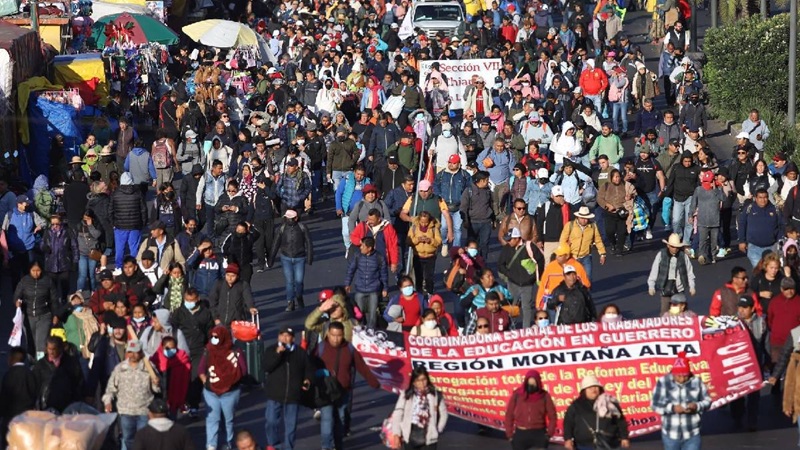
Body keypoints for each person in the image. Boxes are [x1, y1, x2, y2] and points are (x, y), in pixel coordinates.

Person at [313, 321, 380, 450]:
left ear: (343, 334)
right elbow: (310, 367)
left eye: (339, 335)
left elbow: (362, 367)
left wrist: (374, 382)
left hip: (344, 391)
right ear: (328, 334)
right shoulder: (320, 348)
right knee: (327, 422)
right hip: (326, 392)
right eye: (333, 335)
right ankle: (326, 447)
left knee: (340, 421)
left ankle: (338, 446)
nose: (336, 339)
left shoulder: (349, 348)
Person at [103, 339, 161, 450]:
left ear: (140, 352)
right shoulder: (120, 369)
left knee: (143, 439)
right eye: (130, 352)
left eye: (136, 352)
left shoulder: (148, 368)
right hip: (126, 412)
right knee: (128, 438)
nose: (132, 355)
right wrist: (108, 401)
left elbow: (157, 390)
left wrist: (156, 384)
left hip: (144, 410)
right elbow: (111, 389)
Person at [264, 327, 313, 450]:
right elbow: (266, 367)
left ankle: (288, 447)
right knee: (271, 422)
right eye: (283, 335)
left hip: (293, 395)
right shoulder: (271, 350)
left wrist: (307, 379)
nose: (285, 338)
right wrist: (277, 354)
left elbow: (308, 369)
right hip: (275, 394)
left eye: (288, 336)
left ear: (293, 338)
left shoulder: (300, 352)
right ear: (278, 337)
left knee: (291, 426)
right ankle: (273, 445)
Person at [651, 352, 712, 450]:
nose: (682, 379)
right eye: (679, 376)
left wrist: (697, 406)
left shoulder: (697, 381)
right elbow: (655, 404)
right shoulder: (663, 382)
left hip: (692, 433)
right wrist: (672, 408)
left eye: (685, 376)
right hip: (671, 434)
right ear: (674, 373)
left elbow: (707, 401)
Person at [199, 326, 246, 450]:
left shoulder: (235, 350)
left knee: (228, 420)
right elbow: (201, 369)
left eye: (217, 337)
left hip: (230, 393)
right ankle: (212, 445)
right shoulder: (208, 350)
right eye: (212, 337)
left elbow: (243, 370)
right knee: (212, 419)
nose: (214, 339)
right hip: (211, 392)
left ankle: (228, 443)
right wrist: (206, 381)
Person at [563, 375, 630, 450]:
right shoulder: (576, 406)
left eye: (595, 387)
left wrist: (624, 437)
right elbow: (568, 423)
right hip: (584, 446)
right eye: (590, 388)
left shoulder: (609, 402)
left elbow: (620, 421)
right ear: (584, 391)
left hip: (609, 444)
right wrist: (568, 439)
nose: (593, 390)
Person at [390, 366, 448, 450]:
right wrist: (397, 433)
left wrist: (438, 429)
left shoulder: (435, 395)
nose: (422, 383)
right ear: (413, 382)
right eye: (418, 380)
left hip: (429, 437)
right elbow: (398, 413)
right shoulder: (406, 395)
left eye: (424, 379)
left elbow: (444, 414)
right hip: (410, 435)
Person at [498, 228, 546, 328]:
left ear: (517, 238)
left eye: (510, 239)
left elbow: (540, 261)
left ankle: (526, 330)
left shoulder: (529, 246)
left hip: (527, 284)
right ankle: (511, 328)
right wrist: (509, 275)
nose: (508, 242)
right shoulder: (507, 248)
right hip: (512, 283)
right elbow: (500, 264)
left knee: (526, 308)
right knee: (512, 307)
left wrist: (533, 278)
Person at [270, 209, 314, 311]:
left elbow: (308, 242)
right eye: (287, 218)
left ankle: (299, 296)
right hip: (286, 257)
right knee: (289, 281)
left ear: (296, 218)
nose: (288, 220)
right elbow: (275, 244)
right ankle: (290, 301)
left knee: (299, 281)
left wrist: (309, 257)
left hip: (300, 257)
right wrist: (271, 259)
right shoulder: (282, 228)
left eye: (290, 218)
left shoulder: (302, 227)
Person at [14, 260, 59, 359]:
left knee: (41, 344)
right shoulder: (24, 281)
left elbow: (54, 300)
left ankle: (40, 366)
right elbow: (17, 295)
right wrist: (17, 302)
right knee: (30, 343)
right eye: (33, 270)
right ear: (29, 270)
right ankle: (31, 365)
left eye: (38, 270)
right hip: (28, 316)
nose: (36, 273)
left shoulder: (48, 281)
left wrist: (56, 314)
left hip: (44, 316)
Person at [504, 369, 556, 450]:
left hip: (539, 433)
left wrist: (549, 434)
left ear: (538, 383)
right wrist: (509, 435)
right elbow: (509, 414)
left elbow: (552, 416)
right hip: (521, 433)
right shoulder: (517, 394)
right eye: (529, 382)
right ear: (526, 382)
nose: (531, 385)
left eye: (533, 383)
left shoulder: (544, 396)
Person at [344, 237, 388, 329]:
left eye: (363, 246)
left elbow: (384, 274)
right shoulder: (357, 256)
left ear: (369, 248)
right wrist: (347, 284)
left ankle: (371, 332)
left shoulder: (379, 257)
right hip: (360, 289)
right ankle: (361, 330)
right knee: (359, 314)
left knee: (373, 315)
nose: (360, 248)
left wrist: (385, 288)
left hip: (373, 290)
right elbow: (350, 270)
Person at [648, 233, 697, 314]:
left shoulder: (683, 256)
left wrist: (692, 286)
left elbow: (689, 272)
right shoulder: (661, 255)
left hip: (679, 288)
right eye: (673, 246)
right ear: (668, 245)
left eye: (677, 247)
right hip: (665, 286)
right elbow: (654, 270)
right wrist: (651, 286)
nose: (675, 249)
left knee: (681, 312)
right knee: (664, 312)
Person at [33, 336, 83, 412]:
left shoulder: (71, 363)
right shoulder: (40, 365)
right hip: (46, 407)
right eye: (49, 349)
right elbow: (35, 386)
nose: (51, 352)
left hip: (68, 407)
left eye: (54, 349)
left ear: (60, 349)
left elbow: (79, 383)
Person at [536, 243, 590, 310]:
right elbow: (543, 286)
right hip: (553, 302)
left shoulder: (577, 267)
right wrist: (538, 304)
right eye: (557, 255)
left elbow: (586, 286)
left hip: (572, 303)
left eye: (560, 255)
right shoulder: (550, 267)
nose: (557, 257)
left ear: (567, 256)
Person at [559, 206, 606, 282]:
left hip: (586, 256)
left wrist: (602, 254)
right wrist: (565, 252)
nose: (584, 220)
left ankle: (585, 293)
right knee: (571, 280)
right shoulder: (570, 225)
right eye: (582, 218)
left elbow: (598, 240)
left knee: (588, 278)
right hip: (572, 257)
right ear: (578, 217)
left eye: (586, 218)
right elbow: (562, 240)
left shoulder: (593, 226)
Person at [739, 188, 784, 268]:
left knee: (770, 272)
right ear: (755, 198)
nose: (763, 200)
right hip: (754, 248)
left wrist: (779, 240)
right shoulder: (749, 209)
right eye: (760, 197)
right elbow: (742, 224)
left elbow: (781, 225)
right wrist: (742, 241)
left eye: (765, 197)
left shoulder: (775, 209)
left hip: (772, 247)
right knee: (759, 271)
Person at [112, 173, 148, 269]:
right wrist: (143, 222)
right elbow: (143, 209)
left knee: (120, 248)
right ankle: (133, 266)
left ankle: (118, 266)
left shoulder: (115, 193)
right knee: (134, 247)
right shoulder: (138, 193)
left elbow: (110, 210)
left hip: (120, 225)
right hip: (135, 225)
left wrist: (113, 222)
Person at [0, 347, 37, 433]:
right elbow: (34, 393)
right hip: (27, 417)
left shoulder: (9, 375)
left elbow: (4, 397)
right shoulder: (30, 374)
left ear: (12, 358)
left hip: (11, 418)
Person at [208, 263, 257, 327]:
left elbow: (248, 298)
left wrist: (251, 307)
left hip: (237, 321)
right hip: (220, 321)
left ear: (237, 276)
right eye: (228, 275)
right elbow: (212, 301)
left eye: (233, 276)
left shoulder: (243, 285)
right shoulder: (219, 284)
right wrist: (215, 318)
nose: (229, 278)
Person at [460, 171, 495, 259]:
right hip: (473, 223)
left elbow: (491, 205)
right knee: (472, 245)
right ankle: (470, 263)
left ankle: (482, 264)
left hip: (486, 222)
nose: (488, 182)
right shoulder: (468, 191)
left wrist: (494, 219)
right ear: (481, 181)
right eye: (486, 180)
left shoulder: (488, 191)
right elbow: (463, 207)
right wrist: (465, 221)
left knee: (484, 244)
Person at [408, 211, 442, 295]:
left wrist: (430, 240)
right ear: (419, 220)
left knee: (429, 277)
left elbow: (439, 241)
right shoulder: (413, 228)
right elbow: (409, 241)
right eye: (422, 222)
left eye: (426, 222)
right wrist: (418, 240)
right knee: (418, 277)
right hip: (418, 256)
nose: (424, 224)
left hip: (430, 256)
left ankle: (430, 293)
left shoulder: (434, 228)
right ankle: (419, 294)